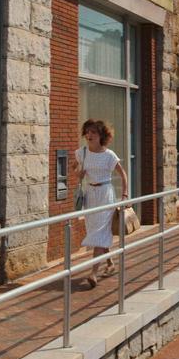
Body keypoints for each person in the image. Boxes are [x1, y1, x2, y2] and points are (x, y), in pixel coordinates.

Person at [75, 119, 129, 289]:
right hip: (90, 195)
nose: (89, 135)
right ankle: (110, 262)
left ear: (101, 136)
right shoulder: (82, 153)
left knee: (100, 231)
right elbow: (75, 170)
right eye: (87, 132)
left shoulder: (109, 155)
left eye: (93, 132)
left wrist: (125, 194)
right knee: (95, 230)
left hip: (106, 194)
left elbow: (123, 175)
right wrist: (79, 174)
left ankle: (93, 273)